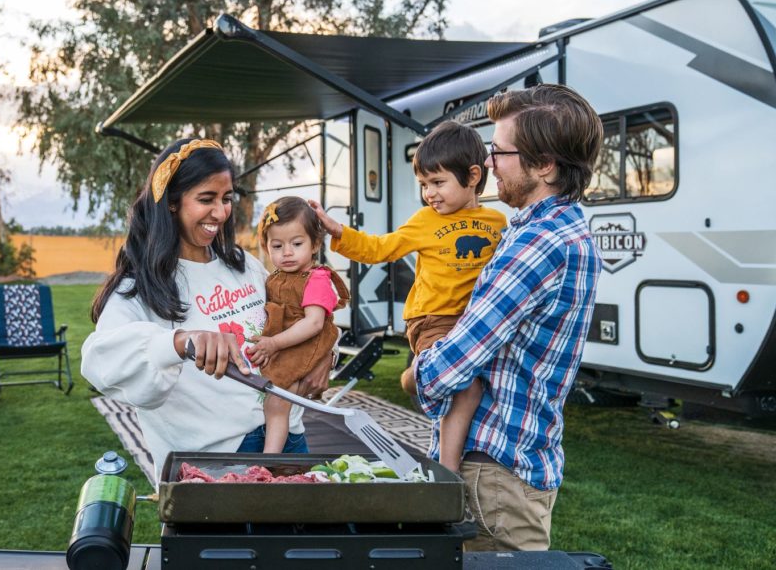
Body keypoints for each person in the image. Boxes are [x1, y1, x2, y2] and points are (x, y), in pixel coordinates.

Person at [411, 84, 604, 551]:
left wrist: (416, 371)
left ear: (545, 165)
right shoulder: (564, 231)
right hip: (516, 468)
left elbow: (451, 366)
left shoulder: (538, 245)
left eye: (500, 151)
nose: (490, 161)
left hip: (494, 481)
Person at [80, 138, 332, 482]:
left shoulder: (243, 265)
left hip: (289, 434)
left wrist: (324, 357)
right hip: (218, 456)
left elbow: (299, 314)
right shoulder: (140, 287)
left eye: (226, 199)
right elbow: (98, 360)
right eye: (206, 199)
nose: (220, 212)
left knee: (293, 536)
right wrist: (180, 341)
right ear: (171, 202)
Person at [310, 120, 507, 472]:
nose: (429, 193)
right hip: (433, 321)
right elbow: (381, 248)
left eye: (438, 182)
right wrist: (340, 232)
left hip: (473, 323)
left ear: (473, 175)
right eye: (423, 185)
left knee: (480, 389)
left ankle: (427, 386)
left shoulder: (497, 223)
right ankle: (447, 470)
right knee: (467, 388)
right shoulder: (424, 221)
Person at [248, 197, 350, 453]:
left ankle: (268, 459)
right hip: (287, 343)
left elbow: (314, 323)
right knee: (275, 401)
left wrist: (273, 343)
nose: (287, 252)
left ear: (315, 244)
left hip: (303, 344)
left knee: (277, 403)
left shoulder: (315, 278)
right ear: (266, 246)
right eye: (277, 245)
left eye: (296, 243)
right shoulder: (275, 277)